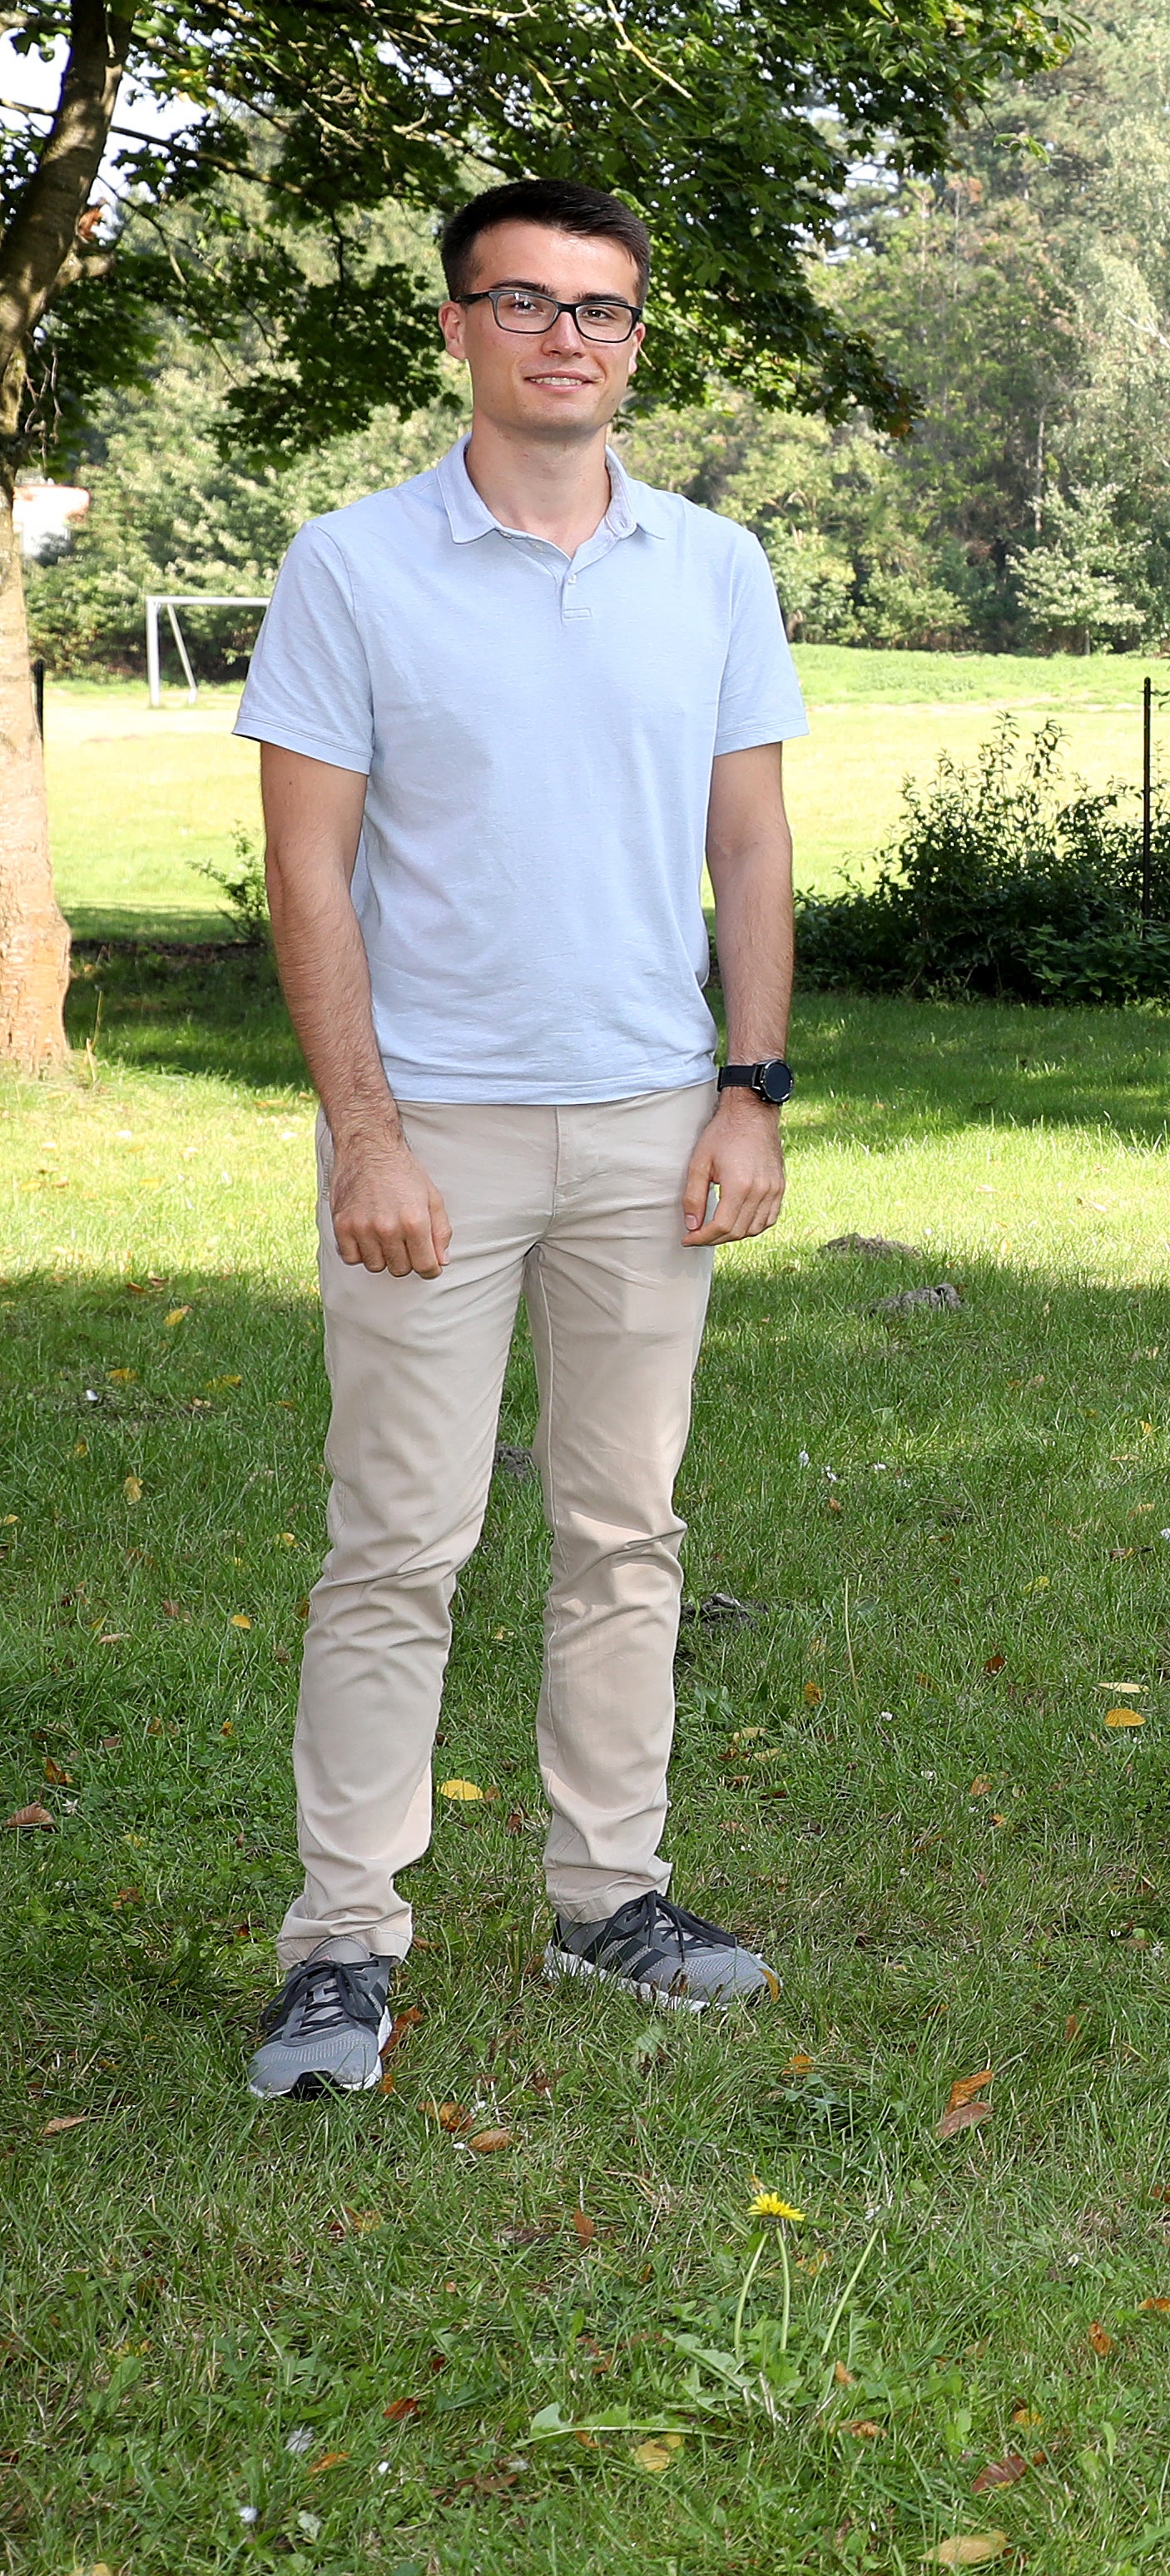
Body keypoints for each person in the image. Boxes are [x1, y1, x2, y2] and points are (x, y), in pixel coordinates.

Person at [234, 179, 807, 2100]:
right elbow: (305, 869)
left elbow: (749, 844)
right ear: (461, 328)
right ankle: (342, 1944)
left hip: (655, 1124)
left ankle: (606, 1896)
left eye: (606, 308)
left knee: (623, 1530)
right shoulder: (352, 566)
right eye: (528, 301)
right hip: (438, 1141)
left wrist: (752, 1086)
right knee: (397, 1544)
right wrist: (364, 1134)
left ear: (636, 340)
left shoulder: (714, 565)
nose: (570, 335)